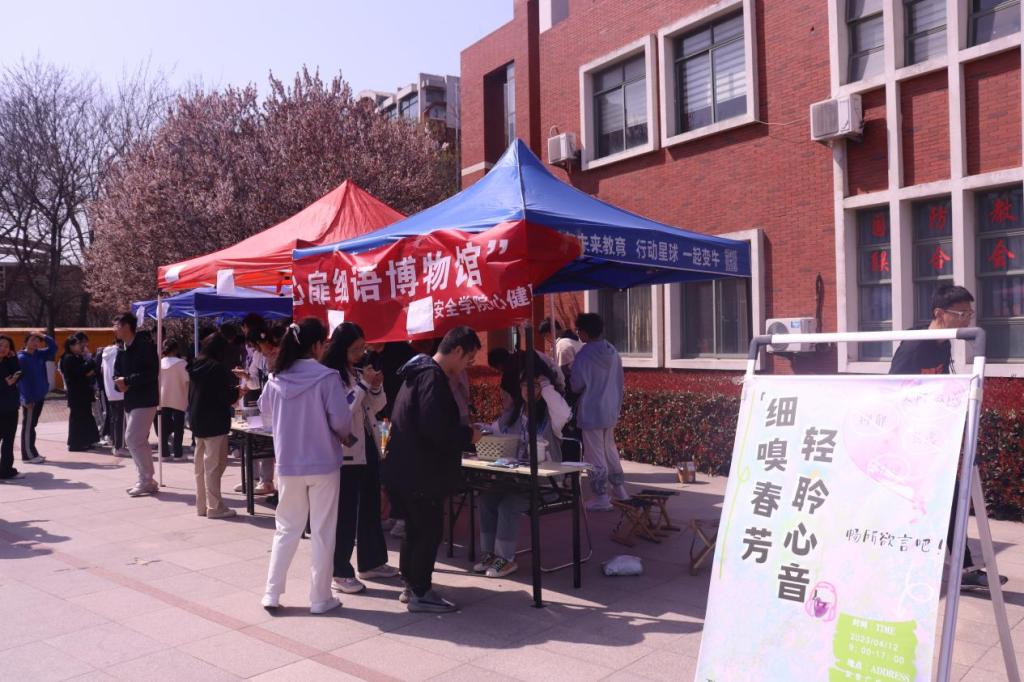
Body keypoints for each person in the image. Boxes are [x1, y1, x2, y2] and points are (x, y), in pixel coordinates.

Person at [888, 284, 1007, 592]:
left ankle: (963, 568)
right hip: (907, 444)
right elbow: (893, 392)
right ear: (939, 313)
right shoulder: (914, 347)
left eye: (970, 313)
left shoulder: (944, 343)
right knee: (925, 506)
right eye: (961, 313)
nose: (967, 319)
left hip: (930, 437)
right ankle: (903, 569)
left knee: (951, 499)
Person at [383, 326, 482, 613]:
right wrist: (468, 435)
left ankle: (411, 585)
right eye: (469, 358)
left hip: (407, 467)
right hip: (422, 471)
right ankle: (420, 591)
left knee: (415, 529)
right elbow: (435, 428)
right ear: (457, 350)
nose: (467, 365)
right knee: (427, 530)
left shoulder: (417, 372)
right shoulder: (432, 377)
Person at [259, 318, 352, 614]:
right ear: (315, 345)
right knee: (323, 531)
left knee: (286, 528)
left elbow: (265, 414)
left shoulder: (275, 379)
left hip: (288, 464)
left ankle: (272, 592)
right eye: (323, 343)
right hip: (323, 463)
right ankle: (320, 598)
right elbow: (341, 421)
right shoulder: (327, 377)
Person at [321, 322, 399, 594]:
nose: (360, 354)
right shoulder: (331, 376)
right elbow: (343, 411)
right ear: (340, 348)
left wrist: (375, 387)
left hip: (368, 446)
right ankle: (340, 571)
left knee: (370, 507)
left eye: (362, 348)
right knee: (345, 515)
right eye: (355, 349)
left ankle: (372, 561)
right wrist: (364, 384)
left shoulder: (355, 372)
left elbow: (375, 407)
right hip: (346, 453)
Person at [474, 372, 572, 578]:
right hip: (516, 481)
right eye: (525, 385)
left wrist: (547, 386)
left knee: (508, 505)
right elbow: (494, 430)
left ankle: (506, 559)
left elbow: (565, 413)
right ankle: (489, 554)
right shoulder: (514, 414)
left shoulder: (552, 417)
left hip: (546, 484)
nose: (529, 389)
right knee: (486, 499)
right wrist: (478, 429)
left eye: (535, 385)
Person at [570, 313, 627, 511]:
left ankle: (601, 496)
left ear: (585, 332)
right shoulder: (612, 351)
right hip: (611, 408)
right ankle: (620, 490)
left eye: (579, 331)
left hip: (591, 410)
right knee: (610, 449)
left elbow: (576, 385)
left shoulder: (584, 355)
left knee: (595, 454)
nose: (578, 334)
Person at [188, 333, 241, 519]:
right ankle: (215, 507)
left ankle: (202, 505)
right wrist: (237, 393)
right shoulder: (216, 368)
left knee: (200, 467)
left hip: (197, 419)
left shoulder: (195, 364)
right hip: (215, 421)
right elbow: (224, 396)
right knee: (215, 465)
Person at [113, 312, 160, 497]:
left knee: (132, 439)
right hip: (130, 400)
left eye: (117, 325)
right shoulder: (121, 349)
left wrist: (128, 381)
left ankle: (145, 480)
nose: (114, 329)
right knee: (139, 441)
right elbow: (116, 374)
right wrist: (119, 384)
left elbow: (151, 373)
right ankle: (148, 479)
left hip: (146, 400)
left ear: (127, 326)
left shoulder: (145, 347)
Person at [17, 331, 57, 464]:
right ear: (25, 342)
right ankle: (27, 455)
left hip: (39, 396)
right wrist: (25, 399)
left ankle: (32, 451)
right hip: (30, 399)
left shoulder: (39, 355)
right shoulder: (21, 358)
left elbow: (54, 348)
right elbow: (21, 381)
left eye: (37, 341)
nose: (35, 343)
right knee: (28, 426)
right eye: (32, 340)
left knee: (32, 425)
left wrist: (43, 336)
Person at [59, 335, 100, 452]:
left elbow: (85, 371)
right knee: (77, 419)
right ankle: (75, 444)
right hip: (76, 394)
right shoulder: (68, 358)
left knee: (86, 417)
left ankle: (87, 441)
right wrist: (91, 361)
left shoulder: (77, 357)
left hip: (83, 393)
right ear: (71, 346)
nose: (81, 346)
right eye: (78, 344)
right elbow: (80, 371)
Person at [159, 339, 189, 460]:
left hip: (163, 397)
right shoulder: (182, 363)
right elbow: (187, 379)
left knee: (163, 427)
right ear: (176, 350)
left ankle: (164, 453)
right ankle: (178, 453)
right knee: (178, 428)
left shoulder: (159, 363)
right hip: (179, 397)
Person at [101, 341, 128, 457]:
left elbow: (102, 371)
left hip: (109, 391)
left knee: (114, 419)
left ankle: (115, 444)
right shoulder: (120, 354)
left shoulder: (105, 355)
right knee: (121, 421)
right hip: (119, 391)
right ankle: (119, 447)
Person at [0, 335, 22, 479]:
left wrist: (13, 358)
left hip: (11, 407)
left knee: (8, 440)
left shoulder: (8, 362)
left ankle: (6, 470)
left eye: (7, 346)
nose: (3, 348)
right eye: (1, 345)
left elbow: (20, 373)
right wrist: (5, 383)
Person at [539, 319, 583, 386]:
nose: (546, 340)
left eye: (546, 336)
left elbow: (563, 372)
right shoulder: (574, 341)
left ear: (553, 331)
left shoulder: (562, 345)